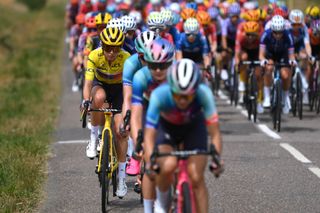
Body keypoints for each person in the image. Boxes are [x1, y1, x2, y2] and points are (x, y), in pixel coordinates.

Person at [144, 58, 223, 213]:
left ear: (196, 90)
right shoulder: (159, 95)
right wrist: (150, 161)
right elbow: (149, 136)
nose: (182, 100)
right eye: (177, 94)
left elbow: (215, 133)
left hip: (193, 127)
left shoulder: (204, 94)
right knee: (167, 166)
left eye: (187, 96)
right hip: (166, 128)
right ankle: (161, 202)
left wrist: (217, 159)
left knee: (196, 178)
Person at [81, 27, 130, 198]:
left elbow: (129, 88)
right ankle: (94, 138)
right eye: (108, 48)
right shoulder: (94, 56)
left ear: (120, 47)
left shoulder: (126, 58)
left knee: (122, 131)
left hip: (119, 91)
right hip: (100, 85)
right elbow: (88, 83)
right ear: (102, 46)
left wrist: (129, 108)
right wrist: (86, 100)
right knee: (98, 98)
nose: (111, 52)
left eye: (115, 48)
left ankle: (122, 178)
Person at [130, 38, 175, 213]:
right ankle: (149, 209)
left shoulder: (178, 75)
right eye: (152, 65)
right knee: (150, 165)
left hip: (172, 112)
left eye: (162, 66)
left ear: (170, 63)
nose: (157, 70)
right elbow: (136, 114)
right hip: (148, 114)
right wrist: (137, 142)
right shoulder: (140, 77)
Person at [259, 15, 296, 114]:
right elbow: (261, 55)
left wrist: (292, 61)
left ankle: (284, 98)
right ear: (272, 30)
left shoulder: (288, 35)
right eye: (275, 32)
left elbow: (291, 55)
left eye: (280, 33)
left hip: (283, 55)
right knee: (269, 68)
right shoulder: (265, 35)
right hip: (270, 54)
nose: (278, 35)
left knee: (285, 75)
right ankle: (267, 97)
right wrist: (263, 60)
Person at [235, 21, 264, 112]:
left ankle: (259, 101)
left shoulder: (260, 39)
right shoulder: (241, 38)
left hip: (257, 54)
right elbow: (237, 52)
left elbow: (263, 54)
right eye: (248, 35)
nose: (250, 37)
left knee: (259, 75)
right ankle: (242, 83)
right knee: (244, 58)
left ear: (257, 34)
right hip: (245, 53)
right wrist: (237, 63)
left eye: (252, 35)